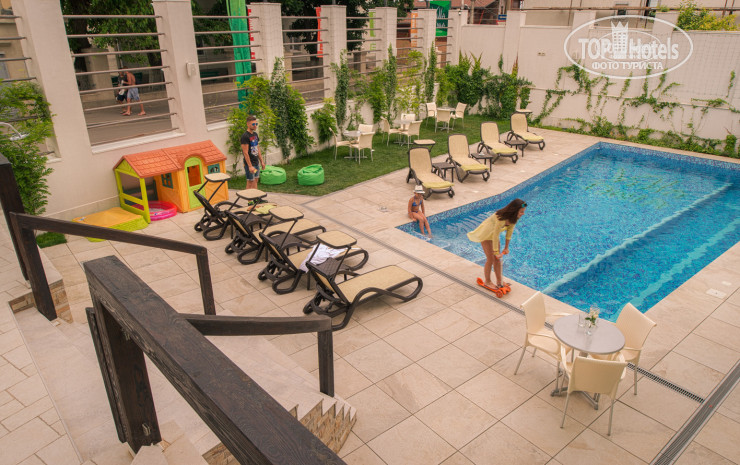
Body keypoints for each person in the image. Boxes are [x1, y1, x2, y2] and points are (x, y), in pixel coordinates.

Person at [467, 198, 527, 293]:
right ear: (515, 211)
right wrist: (496, 252)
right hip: (486, 234)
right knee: (490, 259)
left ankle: (499, 281)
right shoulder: (501, 218)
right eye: (521, 211)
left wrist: (506, 247)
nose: (523, 213)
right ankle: (487, 281)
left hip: (493, 235)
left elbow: (509, 233)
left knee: (497, 260)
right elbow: (495, 235)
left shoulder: (514, 219)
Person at [240, 115, 265, 189]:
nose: (255, 125)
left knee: (255, 180)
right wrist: (250, 166)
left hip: (256, 163)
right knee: (250, 181)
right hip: (250, 164)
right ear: (248, 124)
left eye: (256, 124)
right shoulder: (245, 136)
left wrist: (262, 161)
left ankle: (255, 195)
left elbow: (258, 148)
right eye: (253, 124)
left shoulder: (255, 134)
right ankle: (248, 197)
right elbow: (245, 153)